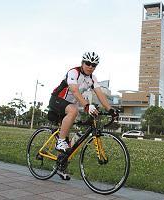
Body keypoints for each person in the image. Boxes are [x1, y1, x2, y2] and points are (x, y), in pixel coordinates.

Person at [47, 51, 117, 179]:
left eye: (94, 65)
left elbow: (100, 94)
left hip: (71, 105)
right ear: (82, 63)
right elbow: (73, 90)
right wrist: (86, 105)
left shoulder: (92, 78)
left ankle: (61, 166)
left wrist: (110, 109)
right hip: (57, 99)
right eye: (88, 63)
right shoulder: (74, 72)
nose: (91, 66)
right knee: (74, 110)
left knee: (76, 131)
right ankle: (60, 141)